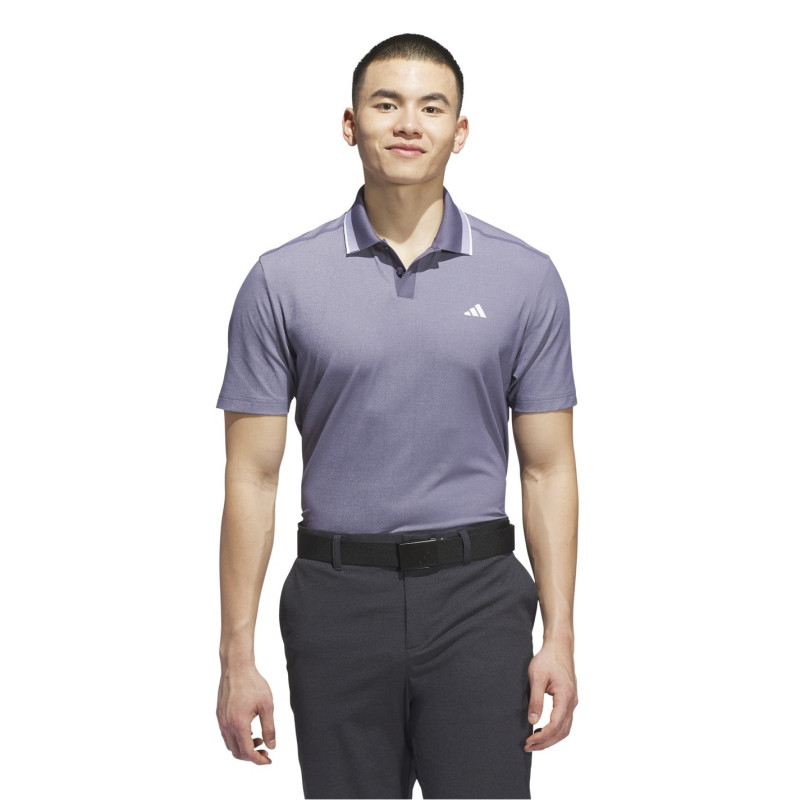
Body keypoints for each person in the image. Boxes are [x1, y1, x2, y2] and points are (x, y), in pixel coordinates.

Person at [215, 33, 579, 800]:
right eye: (387, 104)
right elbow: (251, 477)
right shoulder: (281, 281)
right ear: (351, 124)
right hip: (336, 601)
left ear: (460, 131)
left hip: (479, 602)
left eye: (431, 107)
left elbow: (548, 468)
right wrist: (236, 658)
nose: (409, 123)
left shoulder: (525, 278)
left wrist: (561, 637)